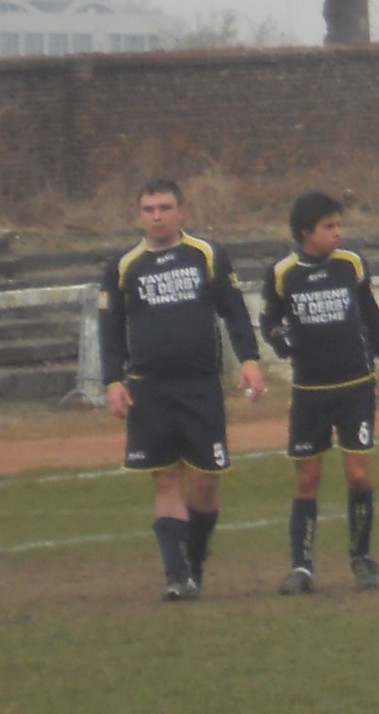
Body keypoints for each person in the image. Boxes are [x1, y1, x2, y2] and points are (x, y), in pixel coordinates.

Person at [99, 179, 266, 602]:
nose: (157, 216)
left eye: (165, 207)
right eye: (149, 209)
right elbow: (110, 328)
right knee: (166, 479)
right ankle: (176, 576)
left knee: (206, 483)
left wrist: (249, 360)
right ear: (140, 215)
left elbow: (234, 311)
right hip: (149, 389)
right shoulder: (124, 266)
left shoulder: (207, 255)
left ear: (181, 211)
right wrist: (113, 381)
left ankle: (195, 560)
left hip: (200, 387)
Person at [260, 191, 379, 596]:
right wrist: (280, 341)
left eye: (338, 225)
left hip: (355, 387)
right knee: (307, 478)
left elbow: (373, 318)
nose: (337, 233)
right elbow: (269, 321)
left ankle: (361, 559)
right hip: (309, 391)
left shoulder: (351, 265)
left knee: (358, 474)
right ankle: (301, 567)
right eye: (328, 226)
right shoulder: (283, 273)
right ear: (305, 232)